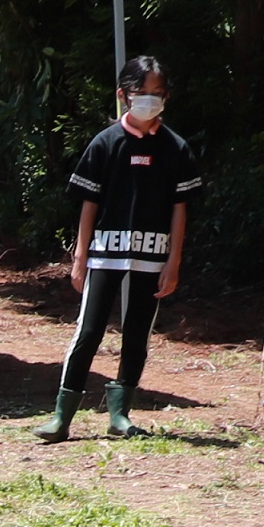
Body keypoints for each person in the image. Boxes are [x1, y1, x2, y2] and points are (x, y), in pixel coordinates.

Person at [37, 55, 204, 443]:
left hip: (152, 257)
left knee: (137, 333)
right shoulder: (105, 143)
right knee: (89, 330)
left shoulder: (175, 149)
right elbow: (88, 203)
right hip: (104, 253)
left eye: (157, 94)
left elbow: (181, 209)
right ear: (123, 96)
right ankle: (62, 416)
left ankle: (120, 413)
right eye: (141, 93)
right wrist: (80, 256)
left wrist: (173, 261)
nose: (149, 101)